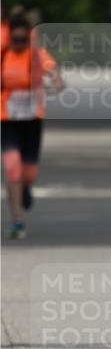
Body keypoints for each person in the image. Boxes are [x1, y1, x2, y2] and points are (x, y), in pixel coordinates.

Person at [1, 13, 64, 239]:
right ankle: (17, 219)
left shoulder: (37, 56)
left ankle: (26, 188)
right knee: (11, 168)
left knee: (28, 173)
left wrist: (55, 83)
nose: (17, 45)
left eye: (21, 40)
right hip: (6, 120)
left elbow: (56, 77)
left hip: (31, 121)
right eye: (14, 40)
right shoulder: (3, 55)